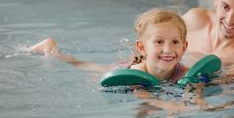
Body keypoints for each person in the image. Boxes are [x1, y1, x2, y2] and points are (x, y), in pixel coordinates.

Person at [30, 8, 189, 83]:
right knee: (84, 66)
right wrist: (164, 104)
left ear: (184, 47)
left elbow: (195, 88)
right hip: (126, 69)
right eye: (159, 42)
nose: (168, 49)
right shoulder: (135, 73)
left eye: (175, 42)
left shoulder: (184, 72)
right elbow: (144, 98)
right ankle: (50, 49)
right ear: (142, 47)